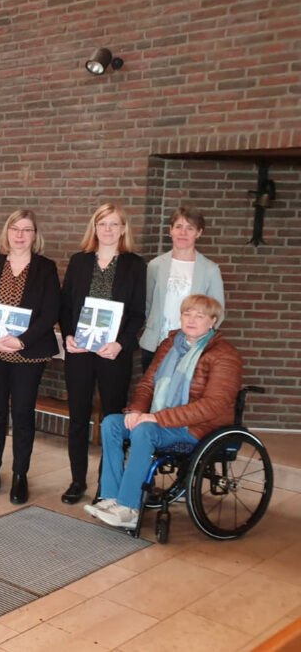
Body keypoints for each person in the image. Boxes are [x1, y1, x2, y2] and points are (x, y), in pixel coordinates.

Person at [86, 294, 241, 529]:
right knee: (112, 423)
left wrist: (156, 417)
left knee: (144, 430)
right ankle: (111, 498)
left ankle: (129, 507)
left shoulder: (224, 355)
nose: (191, 319)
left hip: (197, 429)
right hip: (160, 421)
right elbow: (148, 384)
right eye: (187, 313)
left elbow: (214, 405)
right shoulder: (170, 344)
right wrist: (136, 410)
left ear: (213, 321)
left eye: (199, 316)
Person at [58, 204, 146, 505]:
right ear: (94, 228)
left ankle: (106, 484)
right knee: (79, 417)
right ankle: (77, 480)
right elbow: (66, 305)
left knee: (111, 421)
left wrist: (120, 344)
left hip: (113, 355)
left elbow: (137, 314)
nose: (108, 230)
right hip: (80, 352)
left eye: (114, 224)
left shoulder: (135, 265)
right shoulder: (79, 261)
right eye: (102, 224)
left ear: (123, 229)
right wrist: (69, 334)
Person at [0, 209, 59, 505]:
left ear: (35, 235)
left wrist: (22, 340)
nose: (20, 235)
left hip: (28, 354)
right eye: (14, 228)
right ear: (7, 232)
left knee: (22, 415)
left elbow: (50, 313)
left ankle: (20, 475)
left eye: (27, 229)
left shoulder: (46, 268)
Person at [140, 206, 224, 373]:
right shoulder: (156, 265)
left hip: (192, 346)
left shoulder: (210, 269)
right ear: (170, 230)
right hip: (156, 343)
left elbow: (217, 312)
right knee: (151, 393)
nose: (183, 233)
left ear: (198, 233)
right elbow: (146, 303)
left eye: (190, 228)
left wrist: (199, 339)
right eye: (178, 227)